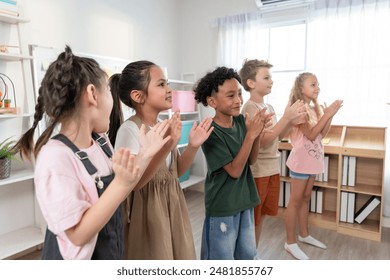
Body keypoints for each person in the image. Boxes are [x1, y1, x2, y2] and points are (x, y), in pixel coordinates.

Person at [12, 46, 170, 260]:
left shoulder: (101, 143)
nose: (113, 101)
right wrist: (121, 183)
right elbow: (77, 235)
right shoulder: (55, 157)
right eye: (107, 91)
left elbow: (120, 192)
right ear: (93, 94)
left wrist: (145, 155)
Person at [109, 60, 213, 260]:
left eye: (167, 84)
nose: (169, 90)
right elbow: (135, 183)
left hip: (172, 206)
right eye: (161, 84)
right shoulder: (130, 130)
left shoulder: (164, 126)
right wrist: (167, 146)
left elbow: (176, 172)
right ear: (138, 96)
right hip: (148, 213)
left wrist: (193, 146)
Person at [193, 66, 273, 260]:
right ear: (212, 101)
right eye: (230, 96)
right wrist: (251, 135)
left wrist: (256, 134)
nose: (238, 100)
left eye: (239, 93)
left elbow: (251, 160)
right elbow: (235, 171)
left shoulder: (239, 122)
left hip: (244, 201)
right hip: (223, 207)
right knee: (222, 260)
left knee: (247, 256)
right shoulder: (210, 131)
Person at [239, 59, 306, 250]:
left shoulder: (269, 108)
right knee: (255, 217)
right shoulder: (250, 108)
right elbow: (263, 142)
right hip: (258, 170)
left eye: (271, 77)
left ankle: (253, 253)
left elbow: (278, 137)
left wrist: (292, 122)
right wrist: (286, 117)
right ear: (251, 83)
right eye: (266, 77)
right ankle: (248, 255)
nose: (271, 81)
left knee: (263, 216)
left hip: (272, 169)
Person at [284, 72, 343, 260]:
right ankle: (290, 242)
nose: (317, 88)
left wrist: (329, 116)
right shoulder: (298, 108)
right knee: (295, 201)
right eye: (313, 84)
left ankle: (304, 234)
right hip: (301, 162)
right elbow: (309, 134)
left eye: (318, 84)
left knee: (306, 197)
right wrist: (326, 114)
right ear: (301, 88)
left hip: (313, 161)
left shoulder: (312, 108)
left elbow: (321, 133)